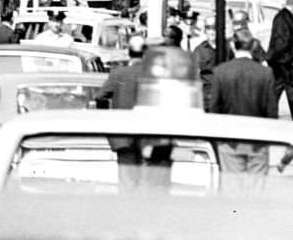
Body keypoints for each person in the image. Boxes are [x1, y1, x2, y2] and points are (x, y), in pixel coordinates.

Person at [94, 37, 173, 192]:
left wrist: (107, 120)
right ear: (145, 53)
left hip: (123, 135)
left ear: (129, 53)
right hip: (149, 136)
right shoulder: (155, 75)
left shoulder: (118, 74)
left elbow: (100, 97)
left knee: (127, 183)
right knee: (148, 183)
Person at [210, 28, 278, 193]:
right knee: (256, 192)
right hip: (258, 141)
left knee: (233, 191)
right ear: (253, 46)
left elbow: (214, 108)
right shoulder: (266, 73)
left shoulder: (220, 72)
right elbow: (271, 111)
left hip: (230, 140)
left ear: (233, 45)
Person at [192, 16, 232, 111]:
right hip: (206, 95)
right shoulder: (199, 50)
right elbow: (195, 74)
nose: (212, 31)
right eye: (209, 28)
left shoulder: (228, 48)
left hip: (225, 95)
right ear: (205, 31)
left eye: (214, 28)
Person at [266, 0, 293, 113]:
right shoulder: (284, 18)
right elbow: (281, 42)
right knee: (278, 91)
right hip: (283, 64)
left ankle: (267, 115)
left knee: (275, 92)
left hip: (282, 63)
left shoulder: (284, 17)